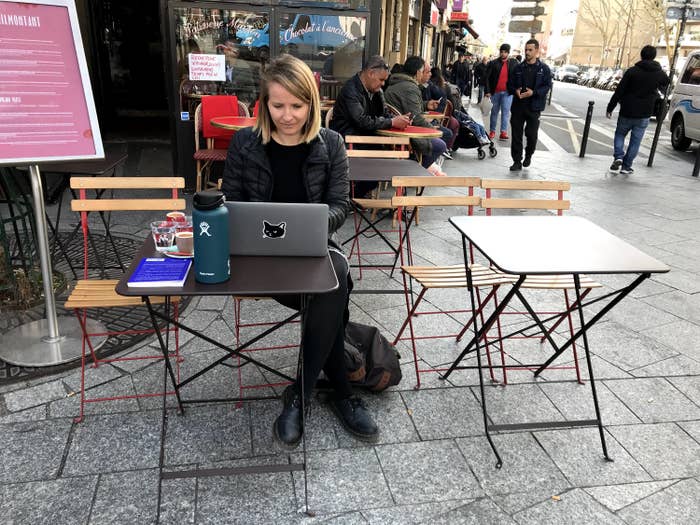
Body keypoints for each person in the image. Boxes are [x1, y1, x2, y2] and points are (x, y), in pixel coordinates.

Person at [221, 55, 379, 447]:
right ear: (264, 104)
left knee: (334, 278)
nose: (287, 116)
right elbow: (231, 201)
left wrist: (309, 229)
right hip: (259, 258)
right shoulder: (245, 142)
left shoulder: (331, 144)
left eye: (297, 105)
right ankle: (341, 393)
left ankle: (301, 396)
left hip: (314, 251)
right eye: (278, 106)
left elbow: (340, 206)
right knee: (334, 294)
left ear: (311, 104)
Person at [329, 55, 410, 196]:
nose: (383, 84)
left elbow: (384, 114)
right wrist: (392, 122)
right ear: (370, 73)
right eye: (381, 80)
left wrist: (399, 120)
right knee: (388, 162)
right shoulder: (351, 90)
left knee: (398, 161)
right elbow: (361, 120)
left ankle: (397, 203)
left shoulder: (376, 91)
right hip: (348, 140)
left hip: (366, 138)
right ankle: (353, 197)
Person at [606, 45, 669, 175]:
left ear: (641, 55)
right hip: (644, 113)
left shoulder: (632, 71)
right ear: (654, 56)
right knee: (635, 141)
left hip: (627, 110)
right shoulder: (659, 73)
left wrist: (610, 107)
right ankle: (626, 166)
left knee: (620, 134)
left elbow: (619, 91)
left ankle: (618, 156)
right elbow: (667, 82)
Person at [385, 56, 448, 174]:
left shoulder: (399, 83)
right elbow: (416, 118)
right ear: (418, 72)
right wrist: (432, 131)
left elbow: (408, 107)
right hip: (405, 134)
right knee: (440, 144)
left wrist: (426, 104)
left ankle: (418, 167)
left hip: (399, 130)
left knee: (441, 138)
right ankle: (414, 171)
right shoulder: (409, 87)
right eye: (424, 70)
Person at [507, 38, 552, 171]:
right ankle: (516, 161)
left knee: (531, 135)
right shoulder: (518, 68)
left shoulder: (544, 69)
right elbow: (509, 85)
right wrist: (515, 90)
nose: (527, 52)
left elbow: (547, 87)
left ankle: (529, 155)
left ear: (537, 51)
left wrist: (533, 93)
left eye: (530, 50)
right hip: (518, 106)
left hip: (534, 107)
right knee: (516, 135)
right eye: (526, 50)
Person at [485, 43, 518, 140]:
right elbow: (487, 78)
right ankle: (492, 131)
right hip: (495, 93)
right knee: (494, 112)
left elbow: (518, 76)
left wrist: (516, 88)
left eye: (505, 52)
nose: (503, 54)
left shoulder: (513, 63)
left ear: (508, 53)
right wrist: (487, 91)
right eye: (502, 52)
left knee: (506, 113)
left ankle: (503, 132)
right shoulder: (493, 63)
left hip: (507, 93)